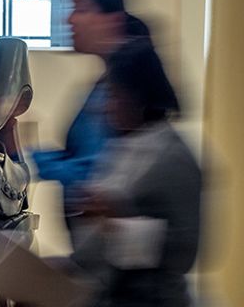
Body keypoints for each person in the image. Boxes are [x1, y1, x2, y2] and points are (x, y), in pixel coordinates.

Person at [70, 38, 202, 307]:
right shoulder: (120, 147)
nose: (106, 106)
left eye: (114, 96)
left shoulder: (173, 157)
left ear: (138, 98)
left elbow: (185, 252)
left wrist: (115, 217)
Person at [31, 0, 150, 243]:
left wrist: (30, 159)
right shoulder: (101, 84)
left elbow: (94, 173)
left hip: (110, 248)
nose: (70, 19)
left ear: (113, 19)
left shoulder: (119, 94)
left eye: (81, 9)